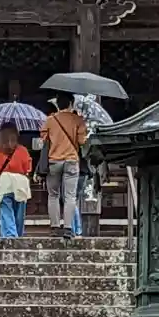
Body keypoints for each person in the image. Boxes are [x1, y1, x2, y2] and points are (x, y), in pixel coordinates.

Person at [42, 98, 89, 240]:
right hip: (71, 160)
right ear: (71, 103)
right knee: (70, 196)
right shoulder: (78, 120)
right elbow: (82, 141)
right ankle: (68, 228)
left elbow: (44, 138)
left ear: (58, 104)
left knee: (53, 195)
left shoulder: (50, 120)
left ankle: (55, 227)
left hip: (54, 160)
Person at [0, 125, 32, 242]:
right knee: (19, 212)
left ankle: (10, 235)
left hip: (5, 182)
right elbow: (27, 168)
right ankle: (18, 234)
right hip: (21, 182)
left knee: (6, 209)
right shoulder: (22, 150)